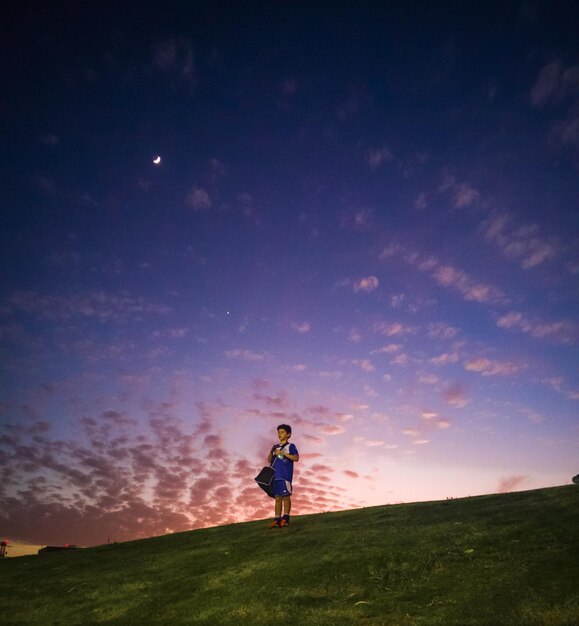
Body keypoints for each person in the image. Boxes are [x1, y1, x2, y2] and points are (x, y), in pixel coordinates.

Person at [267, 424, 299, 528]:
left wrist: (283, 453)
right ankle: (277, 520)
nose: (279, 434)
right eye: (278, 432)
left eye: (282, 432)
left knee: (286, 497)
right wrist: (272, 452)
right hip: (275, 476)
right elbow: (269, 460)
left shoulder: (291, 446)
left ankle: (286, 519)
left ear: (288, 434)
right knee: (277, 498)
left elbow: (296, 458)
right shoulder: (276, 446)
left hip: (285, 476)